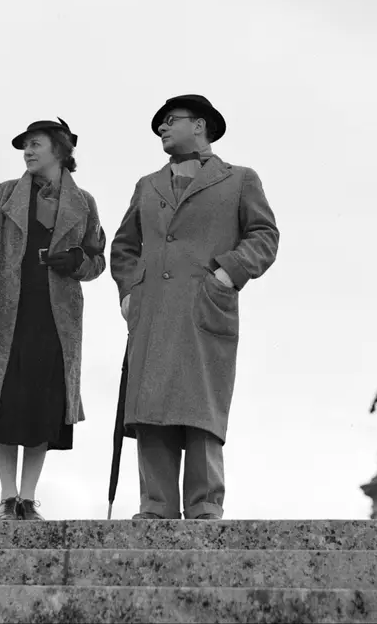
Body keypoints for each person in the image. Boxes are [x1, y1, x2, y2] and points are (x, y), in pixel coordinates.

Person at [110, 94, 279, 520]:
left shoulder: (240, 179)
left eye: (170, 121)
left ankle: (205, 509)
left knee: (200, 407)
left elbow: (264, 235)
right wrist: (130, 293)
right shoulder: (146, 185)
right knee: (150, 409)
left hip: (205, 308)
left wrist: (227, 274)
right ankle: (156, 509)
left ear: (200, 125)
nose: (162, 129)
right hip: (153, 311)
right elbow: (124, 246)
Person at [0, 118, 106, 521]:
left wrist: (78, 261)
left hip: (55, 318)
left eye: (36, 144)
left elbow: (97, 262)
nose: (28, 151)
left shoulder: (84, 203)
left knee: (44, 404)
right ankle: (7, 498)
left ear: (59, 150)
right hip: (7, 315)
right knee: (3, 403)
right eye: (25, 145)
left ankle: (28, 497)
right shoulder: (4, 195)